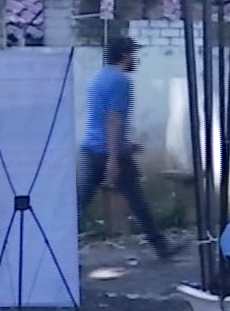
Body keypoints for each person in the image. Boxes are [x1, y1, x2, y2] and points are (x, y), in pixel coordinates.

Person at [76, 37, 181, 260]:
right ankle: (161, 247)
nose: (136, 59)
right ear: (124, 56)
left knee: (79, 205)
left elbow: (100, 117)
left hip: (91, 149)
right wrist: (114, 158)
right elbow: (112, 119)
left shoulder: (98, 77)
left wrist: (125, 145)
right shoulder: (121, 81)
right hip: (109, 153)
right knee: (137, 201)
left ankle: (53, 248)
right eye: (133, 54)